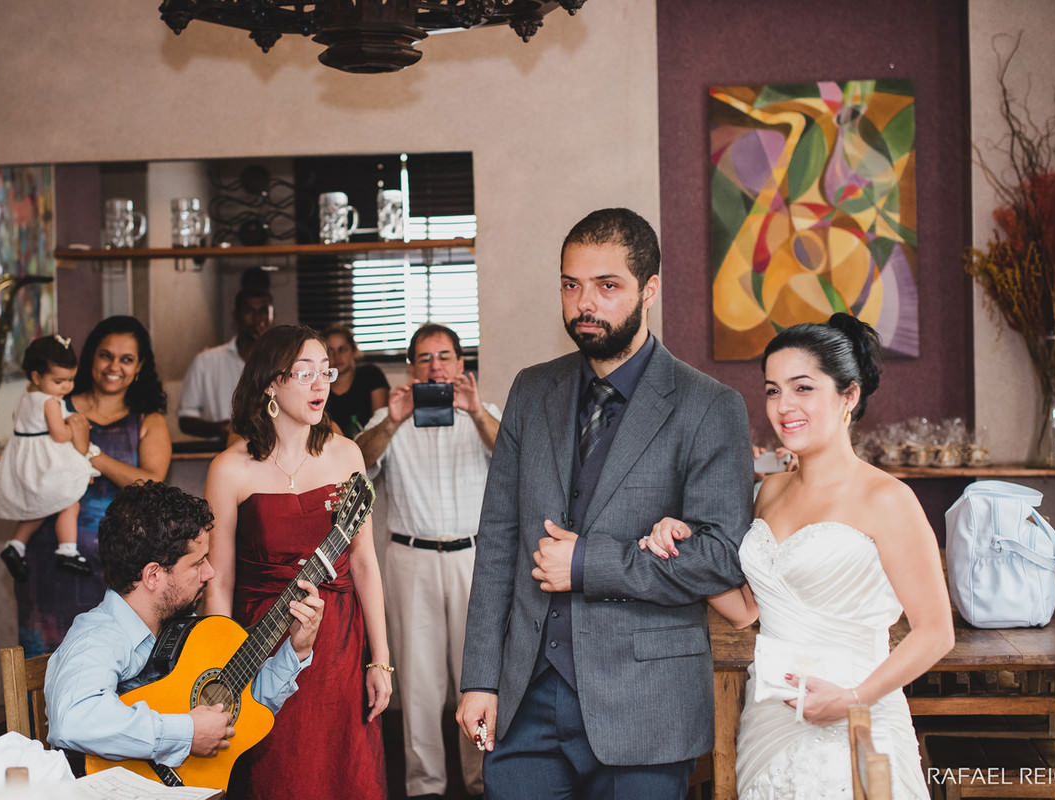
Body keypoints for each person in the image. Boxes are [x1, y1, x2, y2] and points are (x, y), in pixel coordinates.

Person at [456, 208, 752, 800]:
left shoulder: (708, 406)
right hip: (527, 702)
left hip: (644, 704)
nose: (583, 303)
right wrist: (481, 678)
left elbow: (720, 558)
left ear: (650, 291)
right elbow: (498, 543)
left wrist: (589, 563)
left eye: (606, 286)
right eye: (571, 285)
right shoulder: (531, 389)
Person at [641, 313, 954, 800]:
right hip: (770, 718)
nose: (783, 406)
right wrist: (683, 551)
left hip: (858, 714)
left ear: (848, 396)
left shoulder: (887, 499)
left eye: (803, 388)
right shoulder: (768, 492)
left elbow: (936, 633)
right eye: (772, 390)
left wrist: (853, 700)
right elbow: (747, 612)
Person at [205, 324, 391, 800]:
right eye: (304, 372)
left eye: (324, 372)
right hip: (260, 638)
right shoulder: (229, 469)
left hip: (339, 640)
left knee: (343, 767)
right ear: (270, 382)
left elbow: (365, 563)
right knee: (278, 771)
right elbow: (220, 579)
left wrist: (381, 661)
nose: (320, 384)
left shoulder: (346, 453)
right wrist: (216, 669)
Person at [45, 480, 323, 769]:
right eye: (197, 563)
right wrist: (187, 733)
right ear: (153, 575)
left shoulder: (181, 628)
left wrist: (296, 651)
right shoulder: (97, 637)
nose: (210, 572)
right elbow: (74, 719)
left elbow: (241, 704)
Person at [356, 322, 500, 800]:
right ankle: (424, 788)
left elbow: (515, 458)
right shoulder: (388, 417)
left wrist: (475, 412)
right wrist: (393, 422)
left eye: (444, 357)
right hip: (410, 557)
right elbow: (354, 465)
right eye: (424, 358)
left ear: (461, 365)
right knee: (417, 681)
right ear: (411, 368)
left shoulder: (486, 413)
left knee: (477, 674)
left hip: (473, 559)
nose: (435, 366)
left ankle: (482, 782)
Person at [15, 315, 173, 657]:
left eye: (126, 359)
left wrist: (89, 452)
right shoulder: (57, 407)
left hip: (120, 569)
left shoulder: (149, 420)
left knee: (113, 663)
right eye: (106, 355)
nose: (114, 366)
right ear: (91, 358)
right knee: (44, 662)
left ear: (140, 366)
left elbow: (152, 483)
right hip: (51, 558)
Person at [0, 334, 98, 580]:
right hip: (45, 461)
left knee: (37, 509)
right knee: (70, 502)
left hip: (25, 460)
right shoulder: (50, 402)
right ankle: (68, 550)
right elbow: (59, 436)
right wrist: (74, 425)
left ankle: (16, 545)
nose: (66, 387)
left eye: (71, 380)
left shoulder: (26, 398)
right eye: (59, 381)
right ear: (37, 377)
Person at [178, 273, 274, 441]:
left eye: (263, 312)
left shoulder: (280, 362)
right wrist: (222, 428)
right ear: (236, 315)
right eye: (249, 311)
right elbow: (186, 419)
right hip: (219, 453)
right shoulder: (206, 362)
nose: (257, 319)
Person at [324, 323, 389, 438]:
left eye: (342, 349)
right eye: (330, 350)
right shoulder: (320, 384)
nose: (337, 356)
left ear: (353, 351)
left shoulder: (371, 375)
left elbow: (381, 424)